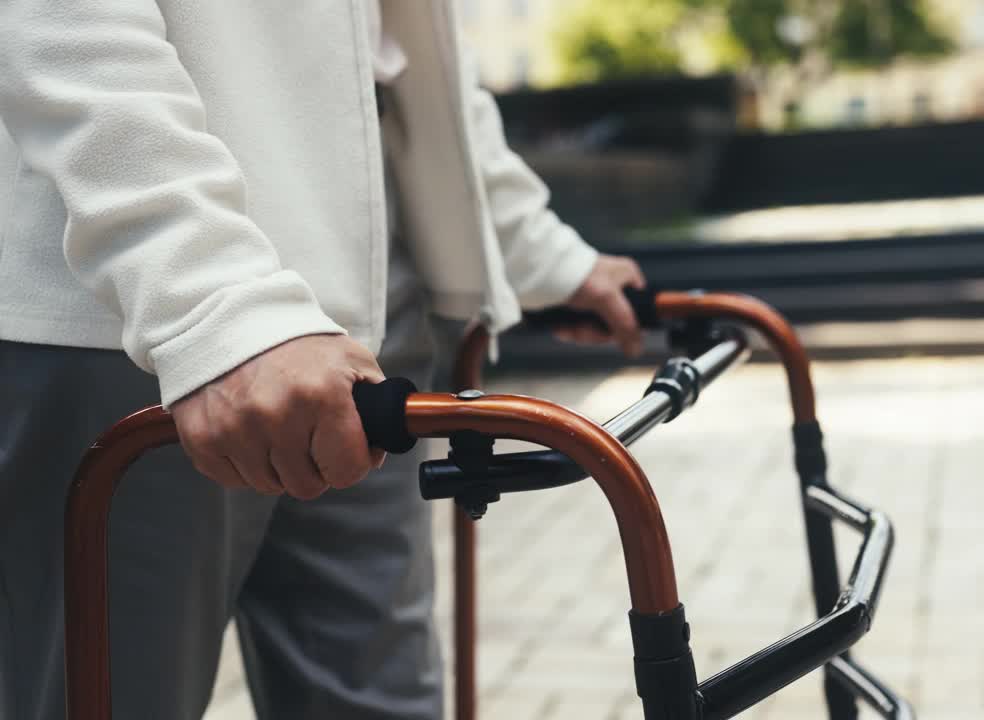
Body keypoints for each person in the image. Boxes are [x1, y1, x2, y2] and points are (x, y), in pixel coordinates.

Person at [0, 2, 644, 718]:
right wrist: (207, 296)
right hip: (128, 311)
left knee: (380, 703)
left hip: (360, 313)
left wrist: (527, 246)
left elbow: (410, 39)